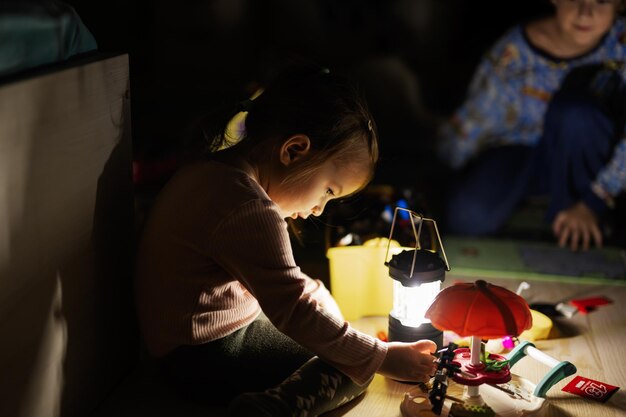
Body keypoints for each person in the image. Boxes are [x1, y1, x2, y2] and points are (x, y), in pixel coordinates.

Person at [134, 64, 437, 417]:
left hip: (173, 348)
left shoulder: (211, 173)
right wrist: (381, 356)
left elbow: (279, 284)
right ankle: (269, 409)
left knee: (326, 319)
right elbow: (292, 309)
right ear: (294, 150)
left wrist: (320, 299)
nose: (318, 208)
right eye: (327, 190)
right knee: (354, 366)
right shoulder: (248, 208)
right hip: (203, 357)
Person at [437, 0, 626, 251]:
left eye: (601, 1)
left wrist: (596, 198)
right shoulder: (515, 50)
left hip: (590, 156)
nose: (585, 13)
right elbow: (474, 121)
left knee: (576, 115)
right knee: (466, 215)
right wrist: (444, 169)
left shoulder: (621, 43)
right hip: (520, 151)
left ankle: (586, 223)